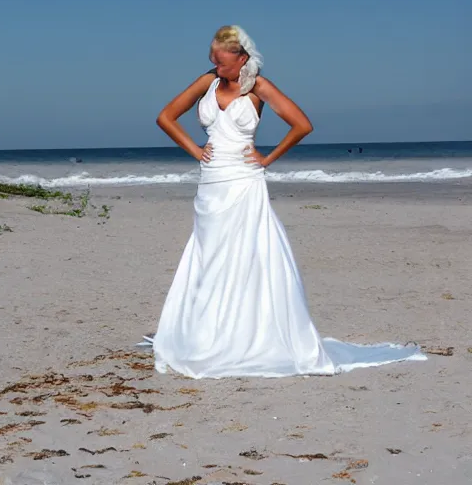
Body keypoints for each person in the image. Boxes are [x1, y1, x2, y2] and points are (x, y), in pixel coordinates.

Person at [140, 25, 426, 378]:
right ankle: (205, 331)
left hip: (245, 181)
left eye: (223, 62)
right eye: (213, 60)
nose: (217, 67)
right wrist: (197, 150)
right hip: (211, 181)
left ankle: (241, 334)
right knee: (208, 254)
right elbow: (165, 117)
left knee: (244, 255)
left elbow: (302, 125)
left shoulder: (259, 86)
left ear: (242, 58)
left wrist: (268, 158)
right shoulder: (208, 81)